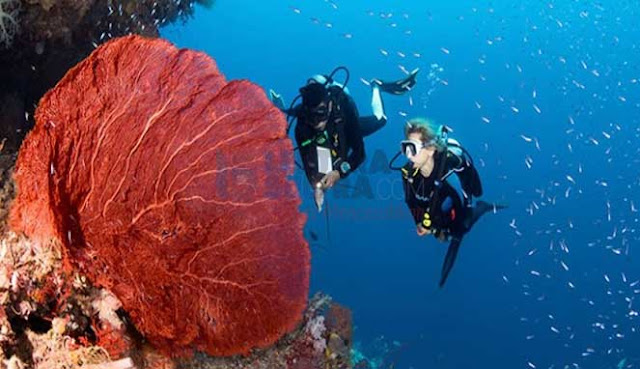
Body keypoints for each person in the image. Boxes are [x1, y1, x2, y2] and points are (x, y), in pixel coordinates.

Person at [270, 66, 418, 212]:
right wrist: (317, 187)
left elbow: (359, 153)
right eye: (312, 117)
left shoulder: (344, 108)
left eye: (320, 115)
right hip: (321, 139)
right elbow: (306, 158)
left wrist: (339, 173)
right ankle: (280, 108)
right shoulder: (304, 122)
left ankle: (376, 86)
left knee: (381, 120)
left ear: (329, 105)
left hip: (344, 127)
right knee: (323, 164)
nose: (318, 123)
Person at [394, 118, 505, 287]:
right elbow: (410, 200)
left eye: (413, 149)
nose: (409, 155)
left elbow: (465, 195)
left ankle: (481, 208)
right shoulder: (408, 174)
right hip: (435, 209)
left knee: (461, 228)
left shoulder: (448, 168)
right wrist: (420, 223)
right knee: (442, 228)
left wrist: (436, 225)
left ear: (430, 149)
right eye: (405, 148)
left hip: (456, 206)